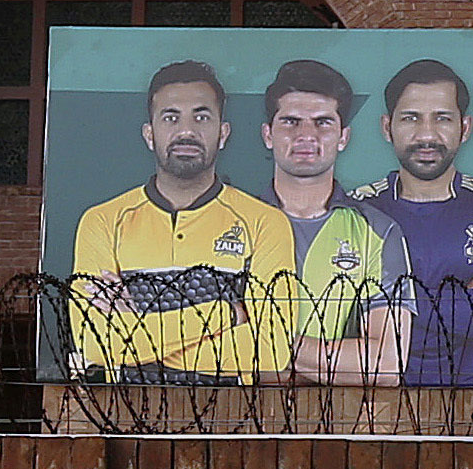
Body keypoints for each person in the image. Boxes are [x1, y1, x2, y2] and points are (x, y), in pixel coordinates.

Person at [63, 61, 299, 381]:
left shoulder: (265, 223)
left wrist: (137, 339)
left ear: (223, 133)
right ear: (150, 134)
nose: (186, 131)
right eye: (171, 117)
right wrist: (225, 313)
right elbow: (94, 345)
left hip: (230, 423)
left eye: (201, 117)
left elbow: (272, 351)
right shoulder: (102, 222)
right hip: (126, 422)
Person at [356, 58, 473, 388]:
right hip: (373, 405)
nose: (427, 135)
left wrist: (392, 310)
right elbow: (334, 315)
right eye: (411, 118)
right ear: (387, 128)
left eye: (442, 119)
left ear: (465, 128)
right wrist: (469, 301)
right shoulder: (358, 209)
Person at [252, 58, 413, 387]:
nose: (306, 135)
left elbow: (386, 364)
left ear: (343, 137)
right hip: (234, 417)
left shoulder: (378, 233)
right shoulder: (232, 220)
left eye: (323, 122)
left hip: (336, 422)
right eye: (291, 122)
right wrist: (336, 361)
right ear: (268, 134)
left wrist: (265, 342)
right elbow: (205, 350)